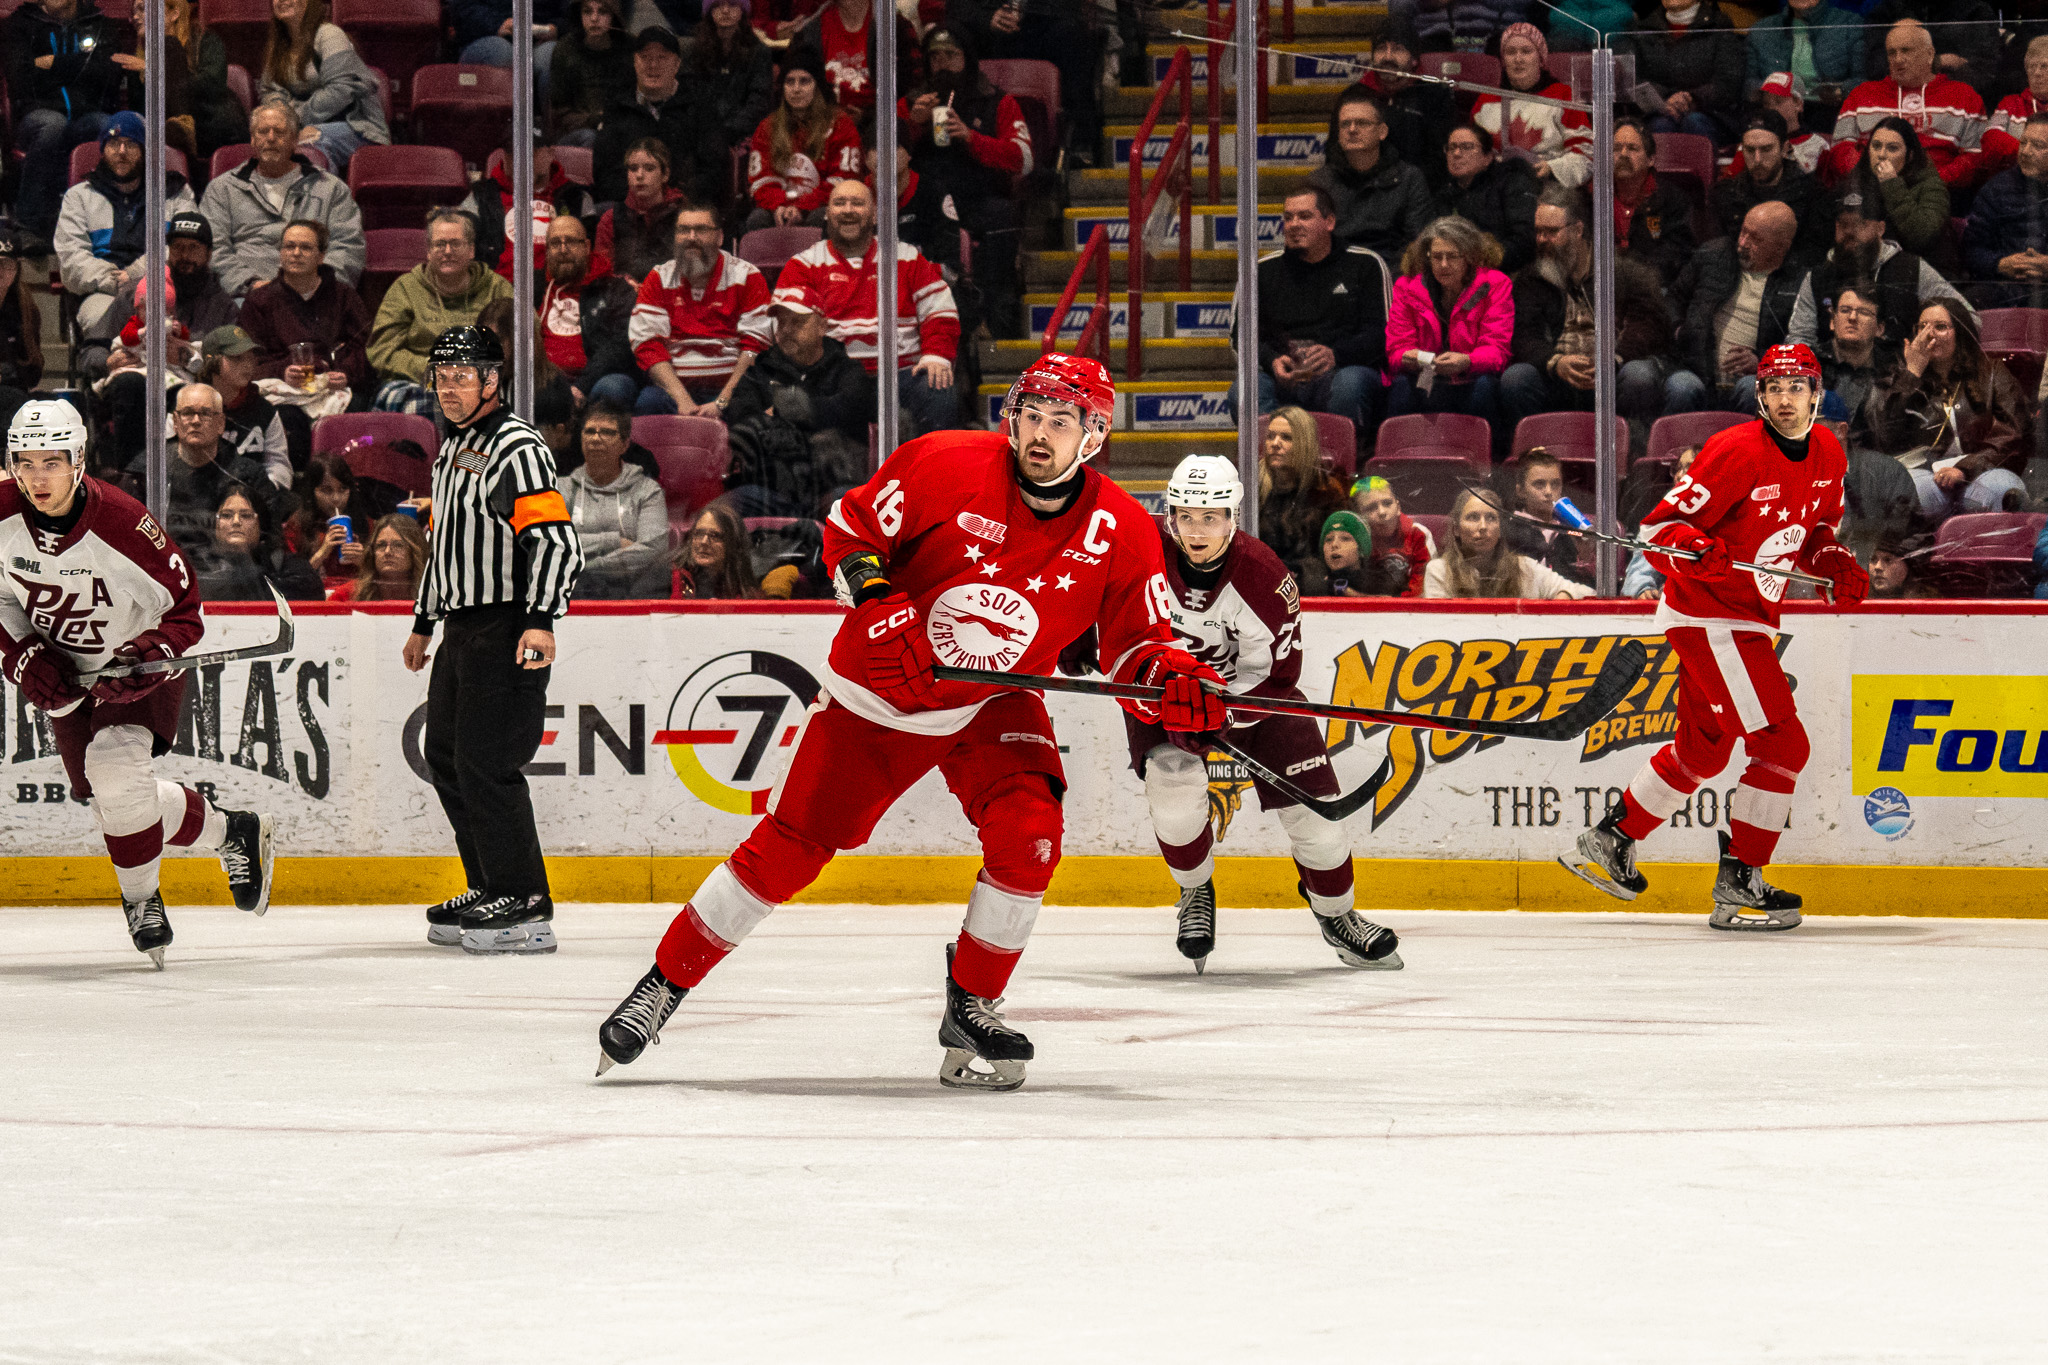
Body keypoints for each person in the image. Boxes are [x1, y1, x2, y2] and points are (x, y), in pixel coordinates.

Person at [594, 350, 1213, 1093]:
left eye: (1061, 421)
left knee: (1031, 837)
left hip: (991, 700)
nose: (1040, 434)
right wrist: (879, 603)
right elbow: (848, 530)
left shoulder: (1124, 529)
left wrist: (1172, 682)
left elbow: (1139, 651)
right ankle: (662, 984)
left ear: (1094, 435)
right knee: (786, 852)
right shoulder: (943, 461)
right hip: (880, 693)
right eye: (1031, 415)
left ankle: (973, 1003)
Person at [1560, 343, 1868, 931]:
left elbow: (1816, 529)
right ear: (1761, 395)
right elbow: (1661, 530)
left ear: (1816, 394)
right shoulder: (1736, 450)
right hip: (1711, 615)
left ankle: (1612, 838)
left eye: (1796, 387)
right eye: (1773, 387)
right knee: (1783, 744)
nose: (1784, 398)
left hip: (1748, 616)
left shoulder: (1829, 452)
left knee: (1703, 750)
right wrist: (1695, 549)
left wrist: (1832, 560)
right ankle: (1742, 877)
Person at [0, 399, 276, 965]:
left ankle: (142, 901)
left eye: (51, 463)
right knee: (107, 797)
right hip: (61, 670)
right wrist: (24, 656)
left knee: (115, 772)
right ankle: (233, 831)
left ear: (78, 460)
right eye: (25, 463)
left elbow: (184, 611)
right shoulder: (1, 513)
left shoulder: (122, 523)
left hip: (133, 669)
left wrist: (148, 653)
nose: (37, 478)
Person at [1117, 455, 1401, 972]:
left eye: (1210, 517)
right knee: (1171, 786)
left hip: (1252, 700)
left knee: (1319, 818)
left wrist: (1220, 716)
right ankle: (1195, 891)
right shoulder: (1141, 555)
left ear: (1233, 516)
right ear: (1170, 515)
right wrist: (1149, 686)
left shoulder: (1265, 576)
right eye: (1185, 516)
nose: (1196, 530)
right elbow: (1119, 640)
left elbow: (1276, 675)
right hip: (1164, 696)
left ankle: (1338, 915)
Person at [403, 326, 585, 955]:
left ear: (491, 380)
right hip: (462, 628)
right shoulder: (453, 450)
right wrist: (425, 622)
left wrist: (541, 619)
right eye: (441, 378)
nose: (448, 389)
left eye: (461, 377)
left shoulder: (517, 448)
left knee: (488, 761)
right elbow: (447, 548)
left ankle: (524, 898)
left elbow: (555, 542)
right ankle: (489, 885)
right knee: (446, 755)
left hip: (508, 624)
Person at [1503, 187, 1704, 445]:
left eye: (1551, 232)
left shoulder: (1624, 272)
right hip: (1560, 372)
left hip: (1617, 368)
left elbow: (1649, 327)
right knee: (1516, 378)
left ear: (1578, 230)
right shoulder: (1532, 278)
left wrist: (1613, 359)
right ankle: (1536, 456)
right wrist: (1555, 362)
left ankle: (1630, 456)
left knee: (1638, 375)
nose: (1542, 239)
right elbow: (1524, 335)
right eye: (1538, 231)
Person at [778, 180, 962, 435]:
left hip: (900, 377)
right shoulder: (803, 266)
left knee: (937, 388)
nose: (848, 210)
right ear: (827, 214)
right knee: (792, 400)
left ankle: (926, 462)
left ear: (875, 215)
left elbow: (940, 311)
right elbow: (788, 329)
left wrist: (936, 356)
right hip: (834, 380)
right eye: (839, 203)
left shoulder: (906, 257)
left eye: (857, 203)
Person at [898, 26, 1030, 337]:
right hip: (926, 203)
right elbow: (881, 159)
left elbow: (1024, 159)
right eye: (935, 57)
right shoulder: (911, 103)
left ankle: (996, 315)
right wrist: (912, 126)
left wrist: (972, 138)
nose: (942, 63)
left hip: (977, 198)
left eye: (950, 55)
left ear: (967, 58)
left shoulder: (997, 100)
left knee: (1002, 215)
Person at [1235, 187, 1391, 430]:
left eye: (1304, 216)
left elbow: (1384, 333)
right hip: (1283, 375)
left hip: (1343, 369)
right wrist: (1272, 360)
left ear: (1329, 222)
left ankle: (1346, 452)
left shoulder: (1366, 264)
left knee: (1350, 384)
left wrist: (1336, 355)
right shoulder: (1261, 270)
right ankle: (1273, 452)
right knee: (1244, 389)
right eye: (1288, 218)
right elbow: (1241, 335)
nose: (1294, 224)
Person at [54, 114, 200, 366]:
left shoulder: (175, 193)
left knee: (187, 321)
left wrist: (135, 276)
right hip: (105, 292)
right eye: (113, 143)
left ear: (145, 150)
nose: (121, 151)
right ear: (103, 150)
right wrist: (114, 280)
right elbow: (70, 260)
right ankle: (114, 382)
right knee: (99, 318)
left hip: (167, 293)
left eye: (131, 144)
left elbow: (187, 247)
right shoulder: (79, 197)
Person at [723, 283, 879, 515]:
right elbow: (741, 419)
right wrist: (815, 413)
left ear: (822, 326)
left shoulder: (847, 369)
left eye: (797, 322)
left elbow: (852, 408)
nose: (786, 330)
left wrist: (782, 410)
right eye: (782, 323)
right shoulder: (760, 371)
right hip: (775, 488)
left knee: (848, 500)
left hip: (831, 485)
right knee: (732, 502)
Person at [1867, 302, 2032, 521]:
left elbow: (2013, 434)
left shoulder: (1992, 372)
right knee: (1908, 492)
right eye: (1923, 327)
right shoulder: (1901, 377)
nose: (1929, 334)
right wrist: (1912, 373)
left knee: (2000, 490)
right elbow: (1885, 436)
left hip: (1983, 470)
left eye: (1940, 327)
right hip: (1927, 473)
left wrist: (1965, 468)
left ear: (1960, 333)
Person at [98, 214, 238, 466]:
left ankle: (181, 470)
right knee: (129, 383)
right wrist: (110, 361)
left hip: (189, 386)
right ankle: (132, 472)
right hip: (133, 380)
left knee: (186, 397)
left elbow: (231, 367)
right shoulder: (137, 294)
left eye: (193, 248)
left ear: (208, 254)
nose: (184, 255)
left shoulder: (222, 306)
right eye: (178, 247)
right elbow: (92, 349)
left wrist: (185, 358)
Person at [201, 100, 367, 301]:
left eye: (279, 132)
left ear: (295, 140)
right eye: (263, 132)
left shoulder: (330, 188)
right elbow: (213, 250)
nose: (271, 138)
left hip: (313, 298)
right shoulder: (222, 189)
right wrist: (252, 284)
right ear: (252, 139)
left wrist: (314, 287)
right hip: (245, 296)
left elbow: (348, 247)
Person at [1787, 178, 1973, 355]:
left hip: (1900, 371)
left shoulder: (1911, 269)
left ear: (1880, 229)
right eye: (1843, 224)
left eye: (1860, 224)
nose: (1850, 232)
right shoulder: (1818, 277)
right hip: (1832, 372)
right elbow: (1798, 338)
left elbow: (1969, 319)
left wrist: (1921, 349)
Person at [629, 204, 774, 418]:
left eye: (701, 229)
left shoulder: (746, 276)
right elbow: (648, 346)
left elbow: (754, 347)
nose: (691, 237)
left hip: (731, 389)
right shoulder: (659, 277)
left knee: (747, 407)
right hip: (674, 390)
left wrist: (722, 402)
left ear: (720, 237)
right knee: (648, 402)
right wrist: (682, 399)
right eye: (683, 230)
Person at [369, 208, 515, 417]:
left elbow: (525, 338)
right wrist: (431, 369)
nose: (447, 251)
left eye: (455, 244)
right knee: (420, 404)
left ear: (471, 250)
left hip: (484, 379)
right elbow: (383, 350)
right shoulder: (405, 289)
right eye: (440, 244)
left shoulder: (496, 288)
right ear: (428, 252)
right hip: (421, 381)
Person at [4, 0, 124, 250]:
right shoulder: (20, 24)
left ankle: (112, 222)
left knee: (109, 127)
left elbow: (107, 73)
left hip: (86, 114)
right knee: (52, 126)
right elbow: (20, 78)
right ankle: (29, 224)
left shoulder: (99, 24)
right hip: (35, 114)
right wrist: (79, 63)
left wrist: (52, 63)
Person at [1673, 201, 1808, 414]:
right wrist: (1679, 329)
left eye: (1755, 239)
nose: (1743, 243)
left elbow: (1802, 343)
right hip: (1696, 369)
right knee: (1681, 386)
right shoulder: (1714, 255)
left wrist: (1762, 361)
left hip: (1753, 379)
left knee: (1752, 388)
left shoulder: (1799, 282)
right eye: (1744, 232)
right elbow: (1673, 298)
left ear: (1781, 247)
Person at [1826, 21, 1984, 189]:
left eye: (1906, 51)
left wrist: (1931, 184)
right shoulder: (1861, 94)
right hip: (1872, 191)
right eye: (1892, 53)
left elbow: (1975, 157)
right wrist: (1876, 179)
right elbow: (1841, 150)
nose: (1898, 59)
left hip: (1939, 193)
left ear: (1930, 54)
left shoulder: (1964, 96)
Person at [1384, 216, 1512, 423]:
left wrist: (1467, 361)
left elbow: (1497, 350)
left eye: (1452, 256)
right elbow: (1396, 349)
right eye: (1436, 257)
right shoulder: (1407, 287)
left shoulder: (1495, 284)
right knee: (1401, 386)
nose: (1443, 264)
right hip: (1425, 376)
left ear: (1469, 257)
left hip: (1472, 375)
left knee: (1484, 386)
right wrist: (1413, 357)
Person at [131, 382, 276, 558]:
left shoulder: (249, 476)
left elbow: (270, 539)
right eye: (187, 413)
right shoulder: (148, 470)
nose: (195, 421)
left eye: (205, 413)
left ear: (221, 423)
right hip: (162, 566)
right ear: (175, 421)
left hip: (230, 569)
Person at [237, 218, 373, 403]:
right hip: (283, 393)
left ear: (321, 256)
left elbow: (365, 347)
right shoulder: (259, 300)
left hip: (336, 389)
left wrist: (346, 373)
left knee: (358, 407)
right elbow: (248, 360)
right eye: (289, 246)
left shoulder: (344, 296)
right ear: (281, 253)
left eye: (306, 248)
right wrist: (282, 371)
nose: (296, 253)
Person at [257, 0, 389, 176]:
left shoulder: (329, 35)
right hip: (300, 124)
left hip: (356, 126)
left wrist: (293, 119)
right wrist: (280, 113)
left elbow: (341, 89)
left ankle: (327, 194)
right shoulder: (279, 45)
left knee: (310, 142)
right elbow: (271, 91)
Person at [1304, 86, 1432, 260]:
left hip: (1391, 270)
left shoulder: (1409, 179)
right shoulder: (1319, 183)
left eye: (1362, 123)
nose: (1352, 129)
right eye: (1345, 124)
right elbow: (1310, 242)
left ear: (1382, 132)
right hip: (1334, 269)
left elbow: (1417, 244)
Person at [114, 0, 248, 164]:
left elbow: (212, 85)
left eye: (143, 9)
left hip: (211, 124)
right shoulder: (137, 61)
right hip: (165, 133)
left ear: (174, 14)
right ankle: (178, 129)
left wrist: (156, 70)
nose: (135, 17)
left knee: (171, 45)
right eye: (133, 12)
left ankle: (182, 126)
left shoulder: (204, 40)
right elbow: (140, 111)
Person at [560, 399, 668, 598]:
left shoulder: (647, 490)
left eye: (607, 432)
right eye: (589, 431)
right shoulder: (561, 488)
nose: (595, 438)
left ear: (625, 444)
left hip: (632, 594)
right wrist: (612, 541)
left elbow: (653, 550)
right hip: (570, 593)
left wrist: (586, 569)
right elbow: (552, 543)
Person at [744, 52, 863, 231]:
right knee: (757, 219)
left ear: (817, 86)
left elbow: (842, 181)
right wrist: (780, 206)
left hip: (820, 206)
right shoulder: (767, 127)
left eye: (804, 81)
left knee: (821, 217)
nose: (796, 89)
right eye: (790, 81)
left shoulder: (841, 125)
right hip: (779, 208)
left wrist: (802, 207)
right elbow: (761, 182)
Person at [461, 127, 596, 283]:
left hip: (557, 288)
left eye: (530, 151)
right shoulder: (480, 197)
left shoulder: (576, 198)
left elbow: (588, 261)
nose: (520, 159)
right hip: (496, 289)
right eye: (512, 152)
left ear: (550, 153)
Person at [539, 216, 644, 411]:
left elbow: (618, 346)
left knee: (613, 387)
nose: (563, 249)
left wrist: (581, 386)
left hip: (597, 379)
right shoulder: (535, 290)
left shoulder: (616, 289)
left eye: (571, 241)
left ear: (587, 246)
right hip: (545, 379)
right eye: (555, 243)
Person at [1471, 23, 1591, 188]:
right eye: (1510, 52)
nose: (1518, 59)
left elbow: (1585, 153)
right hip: (1494, 190)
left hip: (1549, 189)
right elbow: (1471, 153)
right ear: (1503, 61)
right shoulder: (1485, 100)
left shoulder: (1564, 96)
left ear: (1541, 59)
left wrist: (1552, 169)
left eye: (1526, 51)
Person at [1423, 487, 1594, 599]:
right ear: (1456, 529)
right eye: (1473, 517)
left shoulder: (1523, 568)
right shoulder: (1439, 571)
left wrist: (1565, 595)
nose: (1483, 527)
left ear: (1500, 529)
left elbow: (1588, 593)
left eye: (1491, 518)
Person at [682, 0, 777, 197]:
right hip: (701, 131)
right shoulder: (694, 51)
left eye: (732, 4)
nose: (725, 11)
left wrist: (727, 130)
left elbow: (759, 101)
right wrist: (707, 130)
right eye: (718, 5)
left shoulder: (759, 51)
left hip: (742, 132)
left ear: (742, 10)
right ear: (709, 11)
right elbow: (689, 95)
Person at [1621, 0, 1742, 144]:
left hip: (1710, 113)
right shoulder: (1643, 28)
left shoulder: (1719, 27)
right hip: (1658, 111)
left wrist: (1691, 98)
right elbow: (1632, 77)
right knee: (1661, 124)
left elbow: (1728, 80)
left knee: (1694, 122)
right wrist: (1665, 99)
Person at [1712, 112, 1828, 259]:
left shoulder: (1812, 193)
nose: (1757, 159)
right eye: (1750, 150)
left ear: (1785, 148)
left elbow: (1813, 254)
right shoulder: (1726, 193)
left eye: (1766, 149)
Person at [1963, 114, 2048, 310]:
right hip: (2007, 286)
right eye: (2023, 142)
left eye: (2038, 146)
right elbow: (1971, 249)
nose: (2025, 152)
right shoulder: (1996, 189)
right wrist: (2000, 264)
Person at [1430, 122, 1539, 274]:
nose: (1456, 154)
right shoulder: (1444, 194)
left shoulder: (1511, 183)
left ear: (1487, 157)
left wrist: (1479, 262)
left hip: (1503, 272)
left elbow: (1524, 241)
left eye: (1467, 147)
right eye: (1451, 147)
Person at [1255, 407, 1347, 584]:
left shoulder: (1327, 491)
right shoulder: (1251, 487)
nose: (1275, 443)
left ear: (1304, 444)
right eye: (1270, 436)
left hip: (1311, 584)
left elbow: (1340, 552)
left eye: (1286, 437)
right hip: (1260, 581)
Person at [193, 326, 293, 487]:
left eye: (250, 358)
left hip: (253, 496)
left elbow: (278, 464)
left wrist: (262, 493)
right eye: (237, 358)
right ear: (211, 361)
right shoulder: (189, 407)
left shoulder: (264, 410)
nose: (247, 365)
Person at [785, 0, 920, 117]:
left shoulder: (896, 27)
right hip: (822, 120)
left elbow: (914, 86)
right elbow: (789, 87)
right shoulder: (809, 31)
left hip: (879, 122)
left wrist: (867, 116)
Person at [194, 482, 324, 601]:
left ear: (261, 524)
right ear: (214, 524)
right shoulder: (198, 567)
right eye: (226, 515)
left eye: (246, 515)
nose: (236, 521)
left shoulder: (290, 568)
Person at [1611, 121, 1696, 289]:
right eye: (1616, 148)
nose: (1623, 154)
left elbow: (1677, 254)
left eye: (1632, 148)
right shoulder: (1593, 197)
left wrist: (1632, 275)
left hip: (1652, 287)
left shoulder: (1672, 199)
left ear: (1650, 159)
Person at [1856, 118, 1949, 262]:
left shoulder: (1931, 185)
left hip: (1916, 265)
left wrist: (1892, 185)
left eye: (1892, 148)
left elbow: (1923, 237)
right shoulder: (1857, 180)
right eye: (1876, 146)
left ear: (1910, 156)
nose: (1881, 154)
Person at [1744, 0, 1860, 108]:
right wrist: (1771, 93)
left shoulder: (1851, 24)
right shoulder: (1761, 31)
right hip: (1778, 112)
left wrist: (1840, 91)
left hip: (1833, 110)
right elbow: (1749, 85)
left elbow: (1861, 80)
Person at [550, 0, 634, 147]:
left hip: (619, 127)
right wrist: (595, 119)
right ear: (579, 15)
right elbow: (559, 112)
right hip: (577, 132)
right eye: (587, 12)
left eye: (602, 11)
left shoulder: (629, 47)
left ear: (613, 15)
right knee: (592, 138)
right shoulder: (566, 49)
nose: (594, 18)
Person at [1502, 449, 1592, 586]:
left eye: (1555, 484)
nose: (1549, 492)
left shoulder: (1568, 531)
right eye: (1539, 484)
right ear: (1521, 491)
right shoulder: (1510, 530)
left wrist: (1585, 556)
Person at [452, 0, 562, 99]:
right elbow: (463, 9)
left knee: (552, 58)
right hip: (486, 37)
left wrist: (556, 28)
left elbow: (568, 12)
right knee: (501, 54)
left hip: (540, 40)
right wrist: (498, 25)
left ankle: (551, 115)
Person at [1351, 474, 1433, 597]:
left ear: (1398, 507)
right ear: (1359, 516)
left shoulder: (1418, 533)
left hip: (1410, 605)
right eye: (1371, 508)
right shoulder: (1353, 540)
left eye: (1387, 503)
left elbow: (1425, 587)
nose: (1382, 512)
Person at [1298, 507, 1408, 598]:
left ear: (1361, 549)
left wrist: (1349, 593)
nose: (1334, 545)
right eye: (1328, 539)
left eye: (1345, 539)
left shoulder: (1380, 583)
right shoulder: (1310, 583)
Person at [1981, 36, 2048, 177]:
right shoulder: (2010, 104)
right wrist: (2033, 152)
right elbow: (1991, 139)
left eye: (2044, 66)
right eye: (2032, 66)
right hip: (2015, 179)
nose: (2036, 73)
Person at [668, 500, 761, 598]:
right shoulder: (667, 578)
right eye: (699, 534)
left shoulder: (750, 594)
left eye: (715, 536)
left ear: (733, 543)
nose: (704, 542)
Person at [332, 512, 429, 602]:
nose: (387, 552)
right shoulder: (349, 594)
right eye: (381, 545)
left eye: (398, 545)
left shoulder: (432, 594)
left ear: (415, 552)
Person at [1754, 71, 1833, 177]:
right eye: (1766, 103)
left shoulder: (1818, 146)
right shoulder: (1753, 141)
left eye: (1778, 101)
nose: (1771, 109)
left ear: (1798, 104)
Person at [0, 236, 45, 416]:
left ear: (17, 269)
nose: (0, 271)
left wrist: (9, 372)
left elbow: (33, 370)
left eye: (6, 264)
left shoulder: (24, 307)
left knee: (57, 406)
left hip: (14, 389)